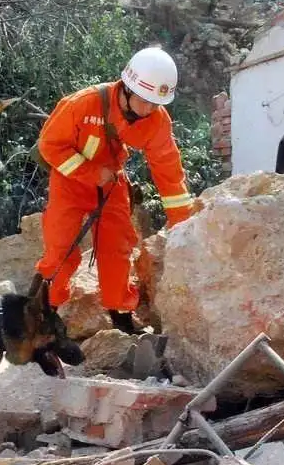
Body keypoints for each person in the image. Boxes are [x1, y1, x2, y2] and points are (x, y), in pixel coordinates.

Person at [32, 46, 194, 334]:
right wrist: (91, 173)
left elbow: (168, 171)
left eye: (155, 103)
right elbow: (49, 146)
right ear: (127, 88)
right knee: (60, 248)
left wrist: (182, 222)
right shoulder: (83, 104)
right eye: (144, 101)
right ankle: (46, 310)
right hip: (70, 181)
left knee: (117, 248)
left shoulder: (156, 120)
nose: (148, 110)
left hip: (111, 182)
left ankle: (120, 314)